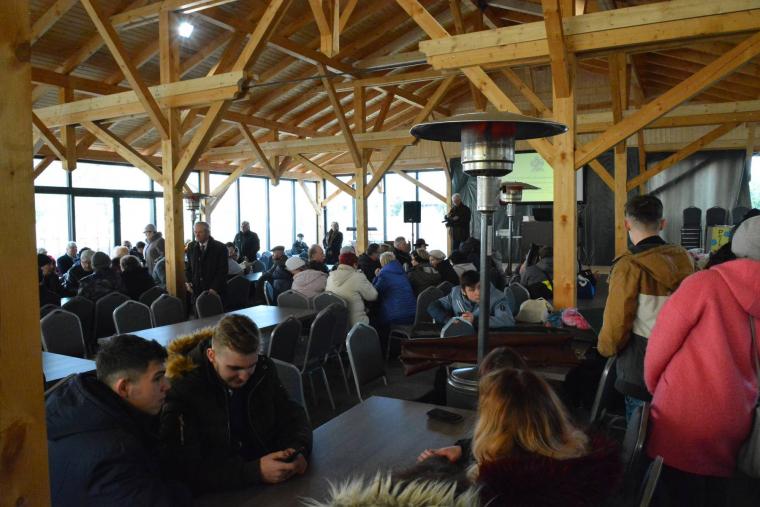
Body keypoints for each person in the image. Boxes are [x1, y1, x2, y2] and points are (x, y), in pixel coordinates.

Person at [643, 216, 760, 507]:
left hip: (681, 415)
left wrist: (658, 387)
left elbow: (660, 345)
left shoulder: (704, 283)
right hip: (737, 417)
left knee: (669, 493)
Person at [160, 314, 312, 495]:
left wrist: (297, 449)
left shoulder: (263, 369)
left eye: (251, 365)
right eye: (234, 368)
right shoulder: (182, 389)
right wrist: (255, 472)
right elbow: (185, 470)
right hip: (220, 493)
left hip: (267, 484)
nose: (245, 376)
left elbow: (291, 415)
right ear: (211, 355)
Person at [46, 334, 190, 506]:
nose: (167, 385)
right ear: (124, 388)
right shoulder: (115, 454)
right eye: (157, 378)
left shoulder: (82, 407)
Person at [597, 195, 693, 421]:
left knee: (640, 434)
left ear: (626, 224)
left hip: (640, 370)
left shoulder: (628, 265)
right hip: (682, 367)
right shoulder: (685, 260)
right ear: (662, 223)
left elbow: (617, 324)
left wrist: (605, 349)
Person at [427, 270, 514, 329]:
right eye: (472, 289)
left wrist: (475, 321)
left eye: (480, 287)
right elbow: (433, 306)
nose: (478, 292)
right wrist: (448, 320)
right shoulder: (455, 293)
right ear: (463, 291)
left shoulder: (497, 297)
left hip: (487, 339)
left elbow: (507, 320)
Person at [325, 252, 378, 326]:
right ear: (354, 264)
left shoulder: (330, 277)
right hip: (357, 323)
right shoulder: (358, 276)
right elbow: (373, 296)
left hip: (337, 324)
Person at [185, 222, 228, 303]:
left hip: (214, 291)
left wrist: (214, 288)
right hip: (196, 291)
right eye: (195, 232)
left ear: (208, 232)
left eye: (200, 232)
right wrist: (188, 282)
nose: (197, 235)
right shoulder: (191, 246)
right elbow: (188, 268)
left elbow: (222, 271)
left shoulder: (220, 247)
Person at [373, 252, 416, 331]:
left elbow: (375, 292)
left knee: (375, 321)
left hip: (396, 316)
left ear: (382, 262)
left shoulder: (384, 274)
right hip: (413, 314)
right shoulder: (402, 272)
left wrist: (376, 277)